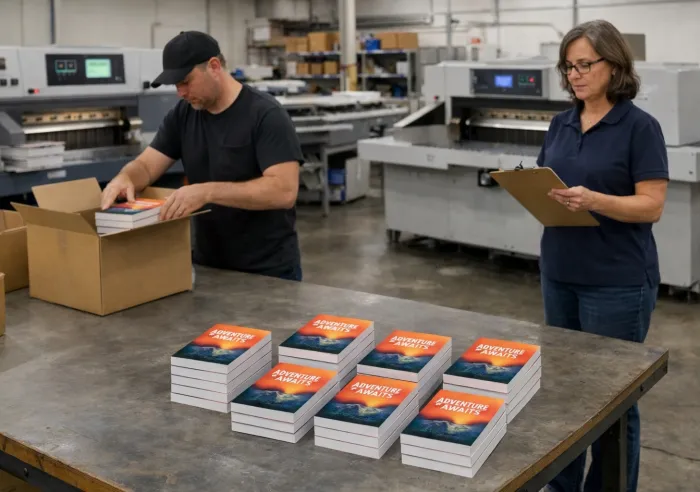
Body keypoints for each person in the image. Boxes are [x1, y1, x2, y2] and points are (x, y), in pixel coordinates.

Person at [537, 20, 668, 492]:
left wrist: (596, 201)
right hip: (560, 272)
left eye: (585, 64)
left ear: (614, 66)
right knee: (565, 390)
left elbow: (651, 205)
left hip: (616, 282)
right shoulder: (561, 122)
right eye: (568, 67)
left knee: (612, 401)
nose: (575, 75)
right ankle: (562, 483)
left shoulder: (639, 127)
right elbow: (548, 182)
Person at [100, 31, 304, 281]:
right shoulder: (182, 115)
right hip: (209, 266)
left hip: (268, 270)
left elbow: (283, 192)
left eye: (186, 81)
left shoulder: (266, 115)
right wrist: (126, 178)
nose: (180, 92)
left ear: (214, 66)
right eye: (176, 85)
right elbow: (146, 165)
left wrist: (206, 192)